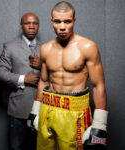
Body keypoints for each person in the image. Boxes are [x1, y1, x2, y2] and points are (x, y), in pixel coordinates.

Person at [28, 1, 108, 150]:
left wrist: (100, 124)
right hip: (48, 108)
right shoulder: (45, 48)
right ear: (52, 21)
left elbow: (98, 85)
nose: (62, 26)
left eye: (67, 21)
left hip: (74, 112)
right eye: (57, 21)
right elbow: (43, 81)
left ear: (74, 21)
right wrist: (35, 111)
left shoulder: (87, 47)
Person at [0, 12, 41, 150]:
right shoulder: (10, 46)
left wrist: (42, 67)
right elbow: (0, 73)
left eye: (35, 23)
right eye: (28, 23)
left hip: (43, 109)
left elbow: (56, 74)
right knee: (17, 147)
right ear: (21, 25)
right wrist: (23, 79)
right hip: (18, 109)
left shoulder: (47, 48)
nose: (32, 26)